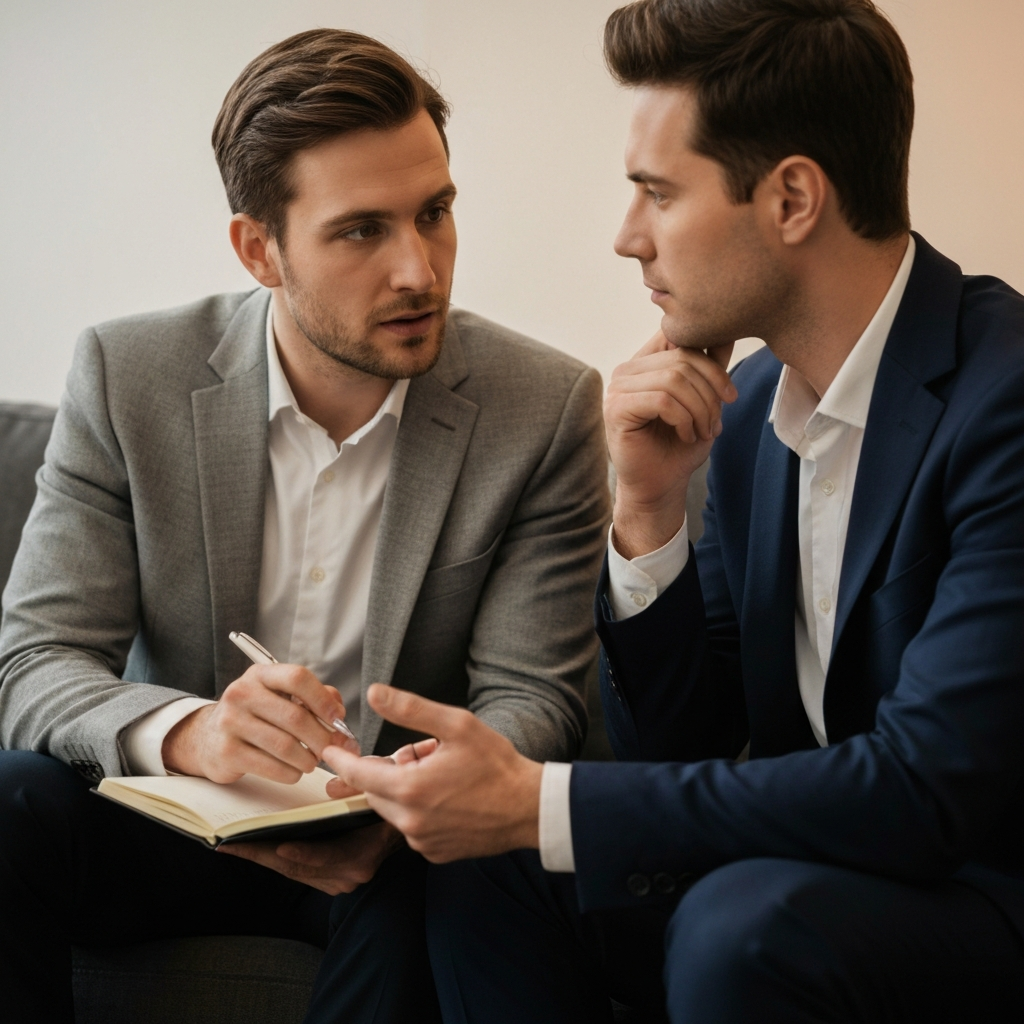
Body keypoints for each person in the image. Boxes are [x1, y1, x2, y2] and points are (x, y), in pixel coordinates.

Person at [324, 2, 1024, 1021]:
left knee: (741, 917)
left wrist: (541, 799)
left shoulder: (1002, 397)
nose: (625, 237)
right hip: (813, 883)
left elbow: (928, 789)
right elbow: (685, 743)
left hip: (981, 897)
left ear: (791, 197)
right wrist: (647, 508)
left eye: (655, 191)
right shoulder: (747, 432)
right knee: (483, 865)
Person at [0, 28, 609, 1024]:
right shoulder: (127, 377)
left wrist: (407, 799)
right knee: (9, 798)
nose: (420, 269)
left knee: (442, 881)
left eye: (436, 212)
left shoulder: (541, 408)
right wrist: (190, 732)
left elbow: (535, 698)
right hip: (173, 822)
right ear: (258, 248)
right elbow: (33, 665)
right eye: (362, 230)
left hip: (391, 842)